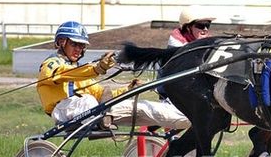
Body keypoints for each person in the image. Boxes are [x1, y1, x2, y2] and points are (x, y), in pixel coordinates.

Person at [36, 21, 190, 130]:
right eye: (74, 44)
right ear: (61, 42)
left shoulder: (78, 71)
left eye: (82, 46)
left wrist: (130, 88)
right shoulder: (51, 64)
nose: (78, 49)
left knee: (101, 98)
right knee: (89, 101)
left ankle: (104, 118)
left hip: (80, 109)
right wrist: (97, 68)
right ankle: (102, 119)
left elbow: (100, 93)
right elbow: (62, 74)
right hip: (61, 111)